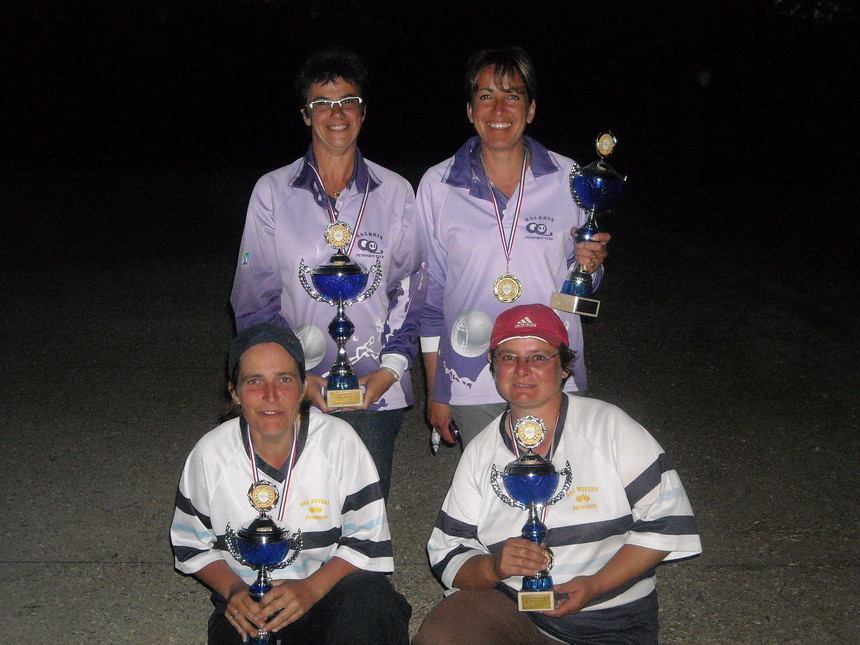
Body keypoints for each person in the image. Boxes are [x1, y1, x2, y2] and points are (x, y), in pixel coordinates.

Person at [414, 304, 701, 644]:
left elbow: (668, 522)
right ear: (493, 367)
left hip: (609, 620)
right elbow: (448, 551)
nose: (522, 369)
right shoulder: (481, 450)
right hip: (515, 609)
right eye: (508, 357)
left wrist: (596, 584)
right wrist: (494, 567)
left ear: (564, 367)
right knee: (442, 639)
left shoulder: (610, 426)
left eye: (538, 357)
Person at [230, 48, 425, 500]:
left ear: (363, 111)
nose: (335, 114)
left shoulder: (395, 191)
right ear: (305, 115)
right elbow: (252, 300)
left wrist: (390, 370)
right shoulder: (272, 191)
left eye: (347, 101)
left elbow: (412, 291)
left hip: (376, 389)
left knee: (365, 512)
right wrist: (293, 377)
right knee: (299, 509)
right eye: (322, 103)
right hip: (295, 388)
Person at [417, 46, 612, 447]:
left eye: (513, 95)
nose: (499, 109)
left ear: (532, 108)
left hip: (551, 370)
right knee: (489, 499)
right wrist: (439, 389)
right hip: (470, 377)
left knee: (556, 495)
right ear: (470, 110)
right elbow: (430, 299)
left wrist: (591, 269)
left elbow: (579, 285)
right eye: (486, 95)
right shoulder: (437, 185)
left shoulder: (569, 179)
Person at [171, 323, 411, 644]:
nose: (271, 395)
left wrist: (310, 589)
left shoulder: (339, 442)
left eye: (284, 379)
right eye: (254, 381)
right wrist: (234, 589)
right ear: (235, 392)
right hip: (251, 603)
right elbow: (192, 544)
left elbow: (366, 540)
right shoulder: (210, 454)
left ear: (302, 388)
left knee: (371, 603)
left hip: (330, 591)